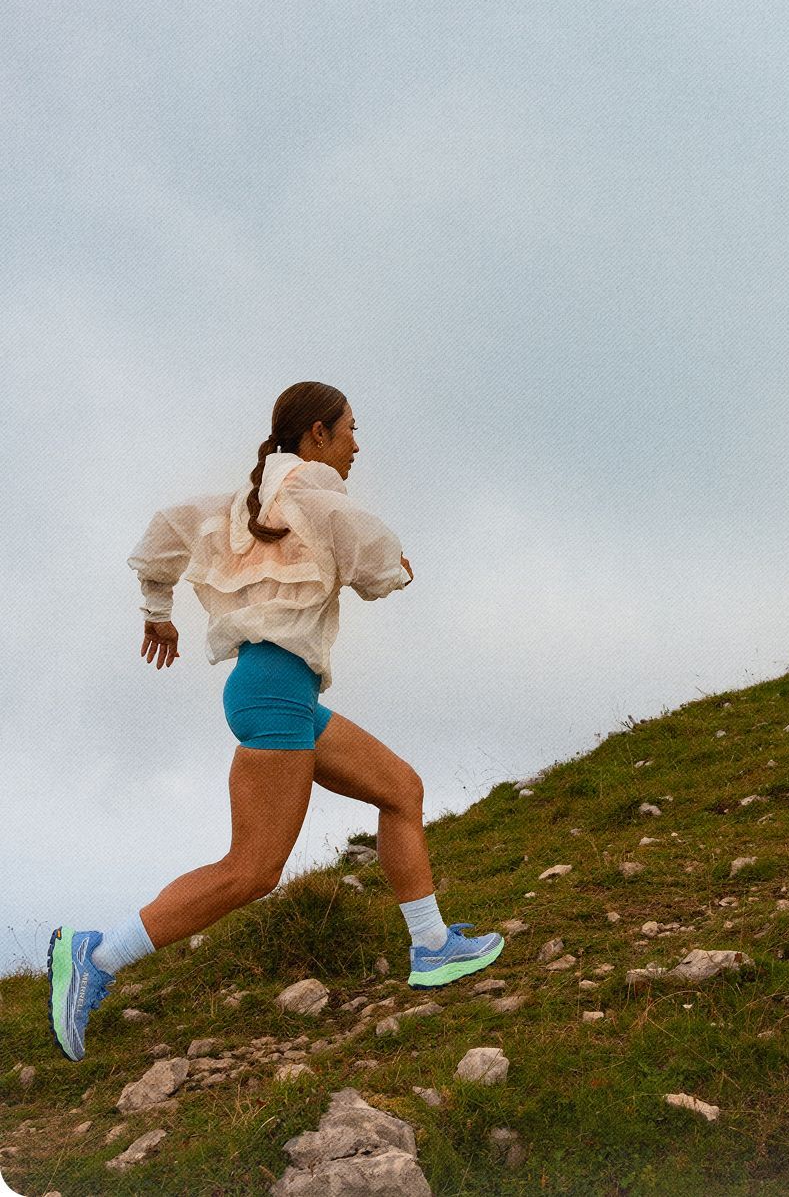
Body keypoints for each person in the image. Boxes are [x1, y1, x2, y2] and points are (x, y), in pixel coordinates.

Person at [48, 381, 503, 1062]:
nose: (357, 446)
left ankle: (433, 945)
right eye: (350, 429)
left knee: (401, 789)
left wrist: (157, 614)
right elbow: (379, 570)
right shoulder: (322, 501)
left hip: (277, 692)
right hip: (276, 697)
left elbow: (162, 533)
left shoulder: (238, 505)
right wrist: (399, 572)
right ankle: (97, 956)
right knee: (253, 870)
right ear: (318, 434)